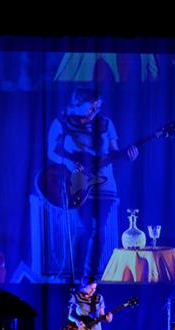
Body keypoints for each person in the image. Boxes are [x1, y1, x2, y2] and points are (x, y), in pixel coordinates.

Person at [48, 87, 138, 278]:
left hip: (104, 184)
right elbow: (52, 151)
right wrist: (69, 162)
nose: (94, 111)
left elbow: (115, 151)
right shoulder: (62, 122)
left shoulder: (105, 123)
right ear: (77, 105)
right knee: (84, 228)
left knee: (99, 229)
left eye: (97, 107)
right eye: (90, 108)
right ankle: (76, 275)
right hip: (77, 182)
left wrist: (127, 155)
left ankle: (91, 276)